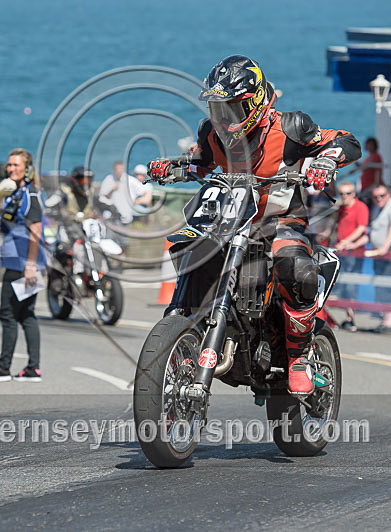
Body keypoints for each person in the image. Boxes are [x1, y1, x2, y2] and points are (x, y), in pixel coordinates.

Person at [147, 55, 361, 397]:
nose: (224, 117)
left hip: (280, 222)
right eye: (219, 108)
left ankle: (298, 358)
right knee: (190, 244)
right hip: (227, 221)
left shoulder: (292, 126)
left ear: (256, 100)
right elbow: (201, 164)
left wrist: (325, 159)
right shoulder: (211, 134)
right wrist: (172, 167)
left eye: (233, 107)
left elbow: (347, 141)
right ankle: (183, 324)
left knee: (296, 268)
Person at [0, 149, 46, 383]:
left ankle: (3, 367)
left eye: (16, 165)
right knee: (26, 315)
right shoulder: (16, 193)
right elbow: (14, 224)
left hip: (22, 261)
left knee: (7, 314)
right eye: (9, 165)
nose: (11, 169)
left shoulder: (31, 194)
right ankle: (32, 369)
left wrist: (30, 265)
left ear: (27, 169)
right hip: (17, 259)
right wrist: (1, 227)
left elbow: (35, 230)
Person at [360, 184, 391, 332]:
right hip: (379, 256)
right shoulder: (377, 208)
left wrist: (385, 247)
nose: (379, 199)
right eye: (376, 197)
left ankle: (389, 322)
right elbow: (373, 231)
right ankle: (385, 319)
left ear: (388, 195)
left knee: (388, 288)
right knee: (381, 287)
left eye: (382, 195)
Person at [333, 181, 369, 331]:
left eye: (347, 193)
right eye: (341, 194)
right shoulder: (341, 209)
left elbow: (362, 228)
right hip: (341, 251)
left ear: (353, 194)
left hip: (354, 252)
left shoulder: (360, 207)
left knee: (351, 285)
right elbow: (336, 227)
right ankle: (348, 316)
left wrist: (347, 241)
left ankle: (351, 317)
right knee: (342, 284)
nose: (344, 197)